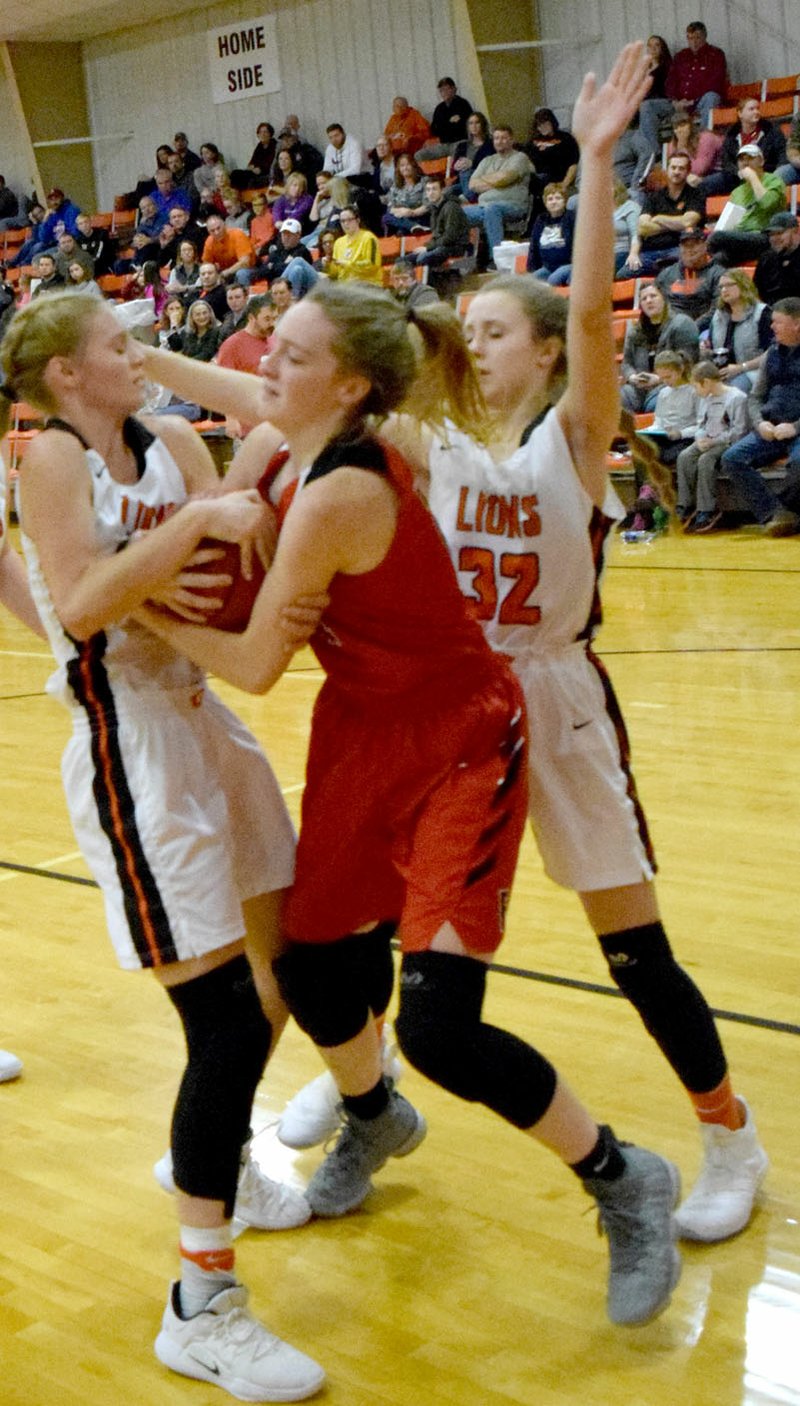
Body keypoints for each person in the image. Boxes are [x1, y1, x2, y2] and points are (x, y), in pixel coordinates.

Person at [135, 42, 684, 1333]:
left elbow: (262, 663)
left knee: (437, 1019)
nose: (265, 360)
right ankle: (377, 1118)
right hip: (362, 730)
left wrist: (136, 596)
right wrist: (139, 370)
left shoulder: (344, 480)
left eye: (292, 351)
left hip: (459, 738)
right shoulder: (300, 430)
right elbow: (236, 397)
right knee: (323, 973)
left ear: (349, 380)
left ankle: (624, 1175)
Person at [2, 291, 325, 1402]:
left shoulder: (172, 436)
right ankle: (201, 1303)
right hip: (127, 746)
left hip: (204, 712)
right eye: (111, 346)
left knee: (294, 963)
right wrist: (192, 531)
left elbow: (258, 475)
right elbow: (87, 605)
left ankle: (221, 1156)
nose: (131, 357)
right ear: (62, 375)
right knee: (223, 1018)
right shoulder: (48, 457)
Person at [720, 297, 800, 534]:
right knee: (732, 458)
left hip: (796, 430)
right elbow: (755, 397)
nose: (772, 327)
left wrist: (795, 427)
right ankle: (774, 513)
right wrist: (759, 422)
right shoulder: (771, 353)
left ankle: (790, 512)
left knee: (798, 465)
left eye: (777, 322)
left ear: (797, 324)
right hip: (771, 427)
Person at [675, 360, 748, 532]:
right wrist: (700, 437)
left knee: (706, 460)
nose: (695, 391)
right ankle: (685, 504)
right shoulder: (705, 399)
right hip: (707, 440)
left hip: (726, 442)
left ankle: (706, 509)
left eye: (696, 386)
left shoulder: (737, 398)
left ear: (706, 382)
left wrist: (713, 441)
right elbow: (701, 424)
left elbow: (738, 431)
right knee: (684, 456)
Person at [640, 20, 728, 154]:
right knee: (647, 106)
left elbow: (716, 81)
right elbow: (670, 82)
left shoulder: (715, 54)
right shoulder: (681, 56)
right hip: (678, 103)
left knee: (712, 97)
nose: (694, 41)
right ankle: (655, 154)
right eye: (690, 37)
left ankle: (703, 147)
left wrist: (694, 101)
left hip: (700, 102)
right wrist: (674, 100)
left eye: (697, 37)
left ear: (705, 36)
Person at [617, 152, 705, 278]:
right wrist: (676, 223)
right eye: (673, 167)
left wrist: (658, 218)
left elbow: (688, 222)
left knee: (676, 272)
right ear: (667, 169)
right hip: (649, 252)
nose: (676, 171)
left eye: (681, 168)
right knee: (622, 275)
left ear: (688, 171)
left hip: (679, 249)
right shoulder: (654, 197)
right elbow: (642, 228)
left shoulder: (696, 195)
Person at [620, 282, 699, 412]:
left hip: (672, 384)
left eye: (653, 296)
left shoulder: (682, 323)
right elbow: (626, 364)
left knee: (656, 403)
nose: (649, 301)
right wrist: (633, 377)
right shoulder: (635, 331)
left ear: (664, 299)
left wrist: (660, 378)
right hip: (640, 387)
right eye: (644, 299)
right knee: (617, 401)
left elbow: (688, 361)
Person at [463, 126, 533, 264]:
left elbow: (505, 178)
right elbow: (472, 184)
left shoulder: (520, 157)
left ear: (511, 140)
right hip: (483, 207)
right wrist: (497, 181)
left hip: (514, 206)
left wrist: (486, 179)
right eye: (496, 138)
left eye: (503, 138)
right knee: (456, 212)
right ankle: (465, 258)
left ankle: (497, 259)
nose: (499, 141)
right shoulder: (487, 160)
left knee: (492, 210)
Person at [707, 146, 787, 266]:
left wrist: (753, 177)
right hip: (741, 239)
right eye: (741, 159)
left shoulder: (774, 180)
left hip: (765, 236)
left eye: (750, 158)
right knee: (718, 259)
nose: (745, 163)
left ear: (761, 161)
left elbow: (766, 203)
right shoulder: (737, 192)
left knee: (716, 238)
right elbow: (732, 221)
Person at [699, 97, 787, 197]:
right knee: (705, 184)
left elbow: (781, 154)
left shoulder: (771, 130)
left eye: (758, 108)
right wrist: (738, 172)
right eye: (751, 109)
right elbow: (726, 161)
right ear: (740, 113)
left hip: (764, 173)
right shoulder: (732, 134)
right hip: (736, 177)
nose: (756, 112)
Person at [702, 269, 772, 392]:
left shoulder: (762, 313)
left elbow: (771, 352)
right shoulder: (718, 315)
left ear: (743, 285)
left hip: (753, 371)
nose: (724, 290)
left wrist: (741, 367)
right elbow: (712, 346)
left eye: (729, 285)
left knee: (732, 392)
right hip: (722, 372)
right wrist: (705, 349)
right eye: (721, 287)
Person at [655, 229, 724, 322]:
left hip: (704, 328)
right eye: (685, 245)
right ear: (679, 248)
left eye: (695, 244)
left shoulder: (718, 274)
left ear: (705, 246)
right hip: (671, 328)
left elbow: (717, 309)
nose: (690, 249)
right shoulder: (666, 275)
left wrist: (691, 328)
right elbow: (656, 307)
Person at [525, 108, 580, 209]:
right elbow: (526, 160)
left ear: (552, 123)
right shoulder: (532, 142)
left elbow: (573, 164)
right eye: (539, 125)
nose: (542, 127)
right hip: (538, 178)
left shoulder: (565, 138)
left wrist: (564, 184)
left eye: (545, 124)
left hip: (557, 177)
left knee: (542, 187)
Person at [412, 175, 470, 268]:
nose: (431, 193)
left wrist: (428, 248)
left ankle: (430, 281)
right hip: (441, 246)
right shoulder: (433, 208)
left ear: (442, 190)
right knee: (404, 261)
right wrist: (428, 246)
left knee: (423, 258)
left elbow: (450, 236)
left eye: (434, 189)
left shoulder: (451, 207)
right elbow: (436, 236)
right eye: (428, 190)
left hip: (455, 247)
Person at [526, 183, 575, 285]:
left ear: (565, 200)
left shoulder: (572, 217)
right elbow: (534, 246)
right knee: (528, 283)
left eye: (558, 198)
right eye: (550, 199)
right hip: (548, 267)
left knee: (553, 280)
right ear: (545, 202)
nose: (554, 202)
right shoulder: (541, 219)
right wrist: (532, 269)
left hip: (569, 265)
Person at [217, 295, 275, 374]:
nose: (272, 323)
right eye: (267, 319)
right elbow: (224, 381)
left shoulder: (276, 340)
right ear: (251, 318)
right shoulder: (232, 346)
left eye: (274, 318)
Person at [754, 211, 800, 305]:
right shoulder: (766, 258)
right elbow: (757, 290)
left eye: (779, 233)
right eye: (771, 234)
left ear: (796, 231)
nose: (774, 238)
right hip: (772, 312)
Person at [326, 207, 382, 284]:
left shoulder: (369, 238)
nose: (346, 224)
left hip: (367, 283)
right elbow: (336, 273)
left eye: (349, 220)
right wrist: (328, 264)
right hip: (345, 286)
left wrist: (348, 264)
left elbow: (373, 265)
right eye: (342, 221)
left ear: (357, 220)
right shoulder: (338, 243)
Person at [381, 154, 429, 235]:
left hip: (420, 216)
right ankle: (414, 227)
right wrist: (402, 211)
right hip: (402, 218)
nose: (405, 168)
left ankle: (413, 227)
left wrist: (412, 212)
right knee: (386, 217)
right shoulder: (396, 185)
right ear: (399, 169)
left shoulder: (424, 181)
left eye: (408, 164)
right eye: (402, 165)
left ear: (413, 166)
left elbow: (428, 205)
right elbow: (390, 208)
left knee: (401, 232)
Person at [450, 112, 494, 199]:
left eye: (477, 122)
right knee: (445, 192)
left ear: (483, 125)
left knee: (466, 172)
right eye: (471, 123)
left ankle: (467, 198)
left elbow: (490, 164)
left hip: (480, 180)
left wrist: (472, 164)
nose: (474, 126)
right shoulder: (462, 146)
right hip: (462, 182)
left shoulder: (490, 144)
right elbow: (454, 169)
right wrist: (456, 166)